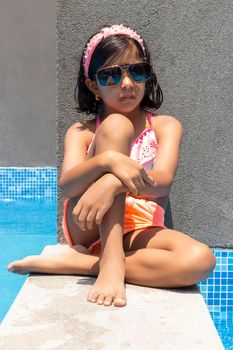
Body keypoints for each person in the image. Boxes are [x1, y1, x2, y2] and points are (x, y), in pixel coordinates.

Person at [8, 24, 216, 307]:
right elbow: (68, 184)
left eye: (137, 71)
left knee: (201, 261)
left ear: (148, 76)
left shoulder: (166, 126)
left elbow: (163, 181)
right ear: (94, 86)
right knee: (115, 126)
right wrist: (107, 161)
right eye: (111, 76)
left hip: (140, 226)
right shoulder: (82, 131)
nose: (127, 84)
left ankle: (88, 264)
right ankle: (112, 262)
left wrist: (113, 181)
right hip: (89, 222)